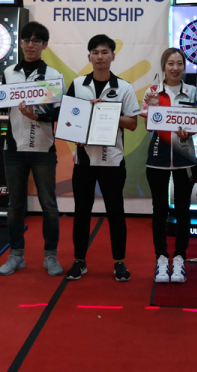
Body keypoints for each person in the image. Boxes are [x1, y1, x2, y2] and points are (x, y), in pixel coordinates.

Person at [0, 22, 64, 277]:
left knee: (49, 205)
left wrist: (37, 116)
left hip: (44, 149)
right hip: (14, 148)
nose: (30, 45)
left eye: (36, 41)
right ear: (20, 43)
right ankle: (16, 255)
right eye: (27, 40)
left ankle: (50, 256)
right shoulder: (9, 72)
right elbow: (4, 105)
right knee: (14, 206)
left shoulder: (53, 75)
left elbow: (59, 112)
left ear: (44, 45)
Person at [65, 35, 141, 282]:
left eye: (105, 52)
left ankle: (119, 262)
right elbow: (69, 120)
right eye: (95, 52)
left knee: (116, 213)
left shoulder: (124, 87)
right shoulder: (78, 84)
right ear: (89, 56)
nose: (100, 57)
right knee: (81, 213)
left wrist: (106, 112)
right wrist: (77, 130)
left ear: (113, 56)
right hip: (84, 161)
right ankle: (79, 260)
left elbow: (132, 123)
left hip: (112, 161)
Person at [141, 48, 197, 284]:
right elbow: (148, 123)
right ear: (164, 66)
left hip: (185, 159)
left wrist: (190, 131)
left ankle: (180, 258)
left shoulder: (193, 91)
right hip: (158, 158)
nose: (175, 68)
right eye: (171, 63)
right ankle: (162, 258)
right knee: (159, 210)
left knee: (183, 211)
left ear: (184, 66)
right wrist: (151, 109)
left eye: (179, 63)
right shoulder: (152, 91)